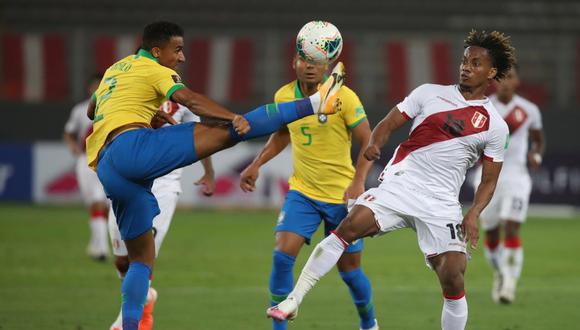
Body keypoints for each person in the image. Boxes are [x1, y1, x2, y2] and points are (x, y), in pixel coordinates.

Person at [85, 21, 345, 330]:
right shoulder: (153, 68)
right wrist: (232, 117)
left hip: (108, 167)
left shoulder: (117, 68)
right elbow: (191, 100)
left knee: (139, 262)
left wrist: (144, 112)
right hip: (133, 150)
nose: (181, 57)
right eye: (177, 50)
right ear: (157, 51)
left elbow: (92, 110)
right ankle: (316, 102)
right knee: (229, 132)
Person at [267, 30, 515, 330]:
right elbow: (389, 122)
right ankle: (294, 300)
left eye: (475, 63)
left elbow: (489, 180)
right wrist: (375, 142)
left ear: (491, 72)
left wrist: (474, 212)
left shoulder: (495, 126)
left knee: (453, 275)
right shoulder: (428, 92)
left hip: (441, 203)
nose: (466, 67)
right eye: (464, 61)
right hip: (401, 184)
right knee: (349, 227)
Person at [240, 27, 377, 330]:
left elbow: (368, 141)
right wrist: (256, 164)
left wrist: (358, 182)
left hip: (341, 197)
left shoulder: (344, 97)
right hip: (302, 193)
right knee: (281, 255)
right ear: (294, 63)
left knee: (351, 273)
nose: (310, 65)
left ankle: (369, 324)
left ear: (328, 65)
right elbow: (280, 136)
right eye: (304, 59)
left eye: (316, 61)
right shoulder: (284, 95)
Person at [108, 100, 215, 330]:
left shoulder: (181, 98)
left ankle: (131, 320)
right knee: (122, 259)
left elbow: (200, 134)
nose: (179, 61)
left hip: (164, 185)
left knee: (144, 253)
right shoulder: (134, 90)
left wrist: (209, 171)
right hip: (128, 181)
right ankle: (145, 296)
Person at [472, 66, 545, 304]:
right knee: (491, 233)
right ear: (494, 81)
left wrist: (536, 154)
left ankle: (509, 284)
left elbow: (538, 140)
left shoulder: (529, 110)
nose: (505, 82)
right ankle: (501, 274)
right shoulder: (483, 107)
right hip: (488, 176)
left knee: (511, 227)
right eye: (501, 78)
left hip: (516, 176)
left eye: (510, 77)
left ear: (517, 81)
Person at [63, 73, 110, 261]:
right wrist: (72, 146)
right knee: (94, 203)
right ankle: (97, 244)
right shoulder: (80, 110)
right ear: (90, 88)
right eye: (95, 86)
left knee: (102, 202)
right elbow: (69, 132)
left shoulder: (114, 107)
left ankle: (101, 248)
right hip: (85, 161)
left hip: (107, 160)